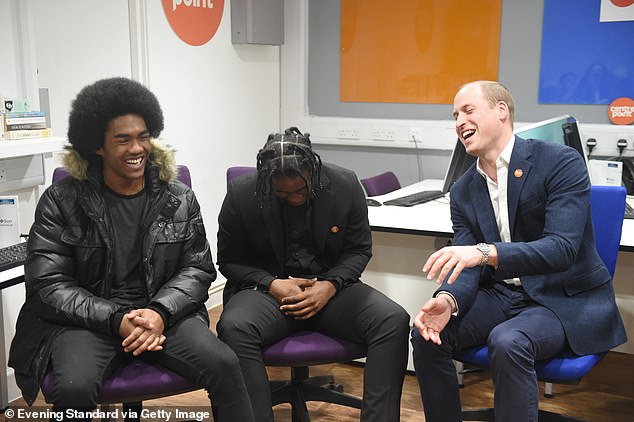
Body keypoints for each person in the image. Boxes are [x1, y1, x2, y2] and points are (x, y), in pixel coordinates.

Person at [8, 77, 254, 421]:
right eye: (122, 140)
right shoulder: (62, 201)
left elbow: (197, 269)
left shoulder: (178, 197)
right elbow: (48, 285)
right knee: (74, 386)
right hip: (87, 322)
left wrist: (158, 312)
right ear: (97, 146)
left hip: (163, 314)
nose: (137, 148)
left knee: (225, 364)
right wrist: (116, 318)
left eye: (143, 137)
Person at [411, 80, 627, 421]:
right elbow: (468, 264)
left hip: (562, 295)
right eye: (454, 116)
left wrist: (485, 252)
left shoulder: (559, 162)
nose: (459, 122)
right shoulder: (463, 190)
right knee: (427, 333)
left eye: (468, 110)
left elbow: (561, 249)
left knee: (508, 341)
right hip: (504, 294)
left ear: (501, 112)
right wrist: (448, 301)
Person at [216, 127, 410, 422]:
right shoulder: (242, 193)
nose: (293, 197)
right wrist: (272, 283)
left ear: (312, 169)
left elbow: (358, 250)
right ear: (267, 181)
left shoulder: (345, 184)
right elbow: (229, 260)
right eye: (283, 193)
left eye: (301, 190)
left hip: (331, 290)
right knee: (234, 327)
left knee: (392, 320)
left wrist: (331, 285)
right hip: (268, 294)